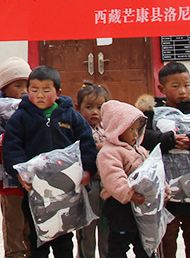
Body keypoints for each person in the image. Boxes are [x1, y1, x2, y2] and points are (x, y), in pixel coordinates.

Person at [3, 66, 98, 258]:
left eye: (46, 90)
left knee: (64, 238)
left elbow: (86, 142)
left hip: (66, 190)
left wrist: (87, 170)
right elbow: (12, 147)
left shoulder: (70, 116)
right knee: (37, 237)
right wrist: (20, 173)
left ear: (58, 93)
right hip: (34, 190)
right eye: (34, 90)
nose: (39, 95)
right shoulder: (20, 117)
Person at [137, 62, 190, 258]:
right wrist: (169, 140)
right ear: (161, 89)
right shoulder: (151, 112)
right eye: (175, 86)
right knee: (167, 236)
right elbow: (143, 137)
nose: (183, 91)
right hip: (165, 189)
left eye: (186, 85)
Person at [0, 57, 32, 258]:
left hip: (34, 178)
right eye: (17, 85)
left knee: (32, 223)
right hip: (9, 177)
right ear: (4, 88)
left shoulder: (35, 108)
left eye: (26, 85)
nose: (23, 90)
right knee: (14, 221)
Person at [95, 101, 153, 258]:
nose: (135, 134)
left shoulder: (140, 151)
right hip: (120, 206)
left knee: (146, 245)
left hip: (142, 206)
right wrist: (129, 193)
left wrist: (163, 190)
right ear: (117, 129)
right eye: (130, 129)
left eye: (137, 129)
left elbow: (153, 172)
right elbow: (113, 178)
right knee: (119, 245)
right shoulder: (109, 153)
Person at [74, 82, 111, 258]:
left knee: (107, 228)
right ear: (78, 108)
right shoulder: (78, 130)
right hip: (88, 186)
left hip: (109, 186)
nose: (95, 112)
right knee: (86, 230)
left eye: (100, 107)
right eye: (89, 107)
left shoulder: (110, 130)